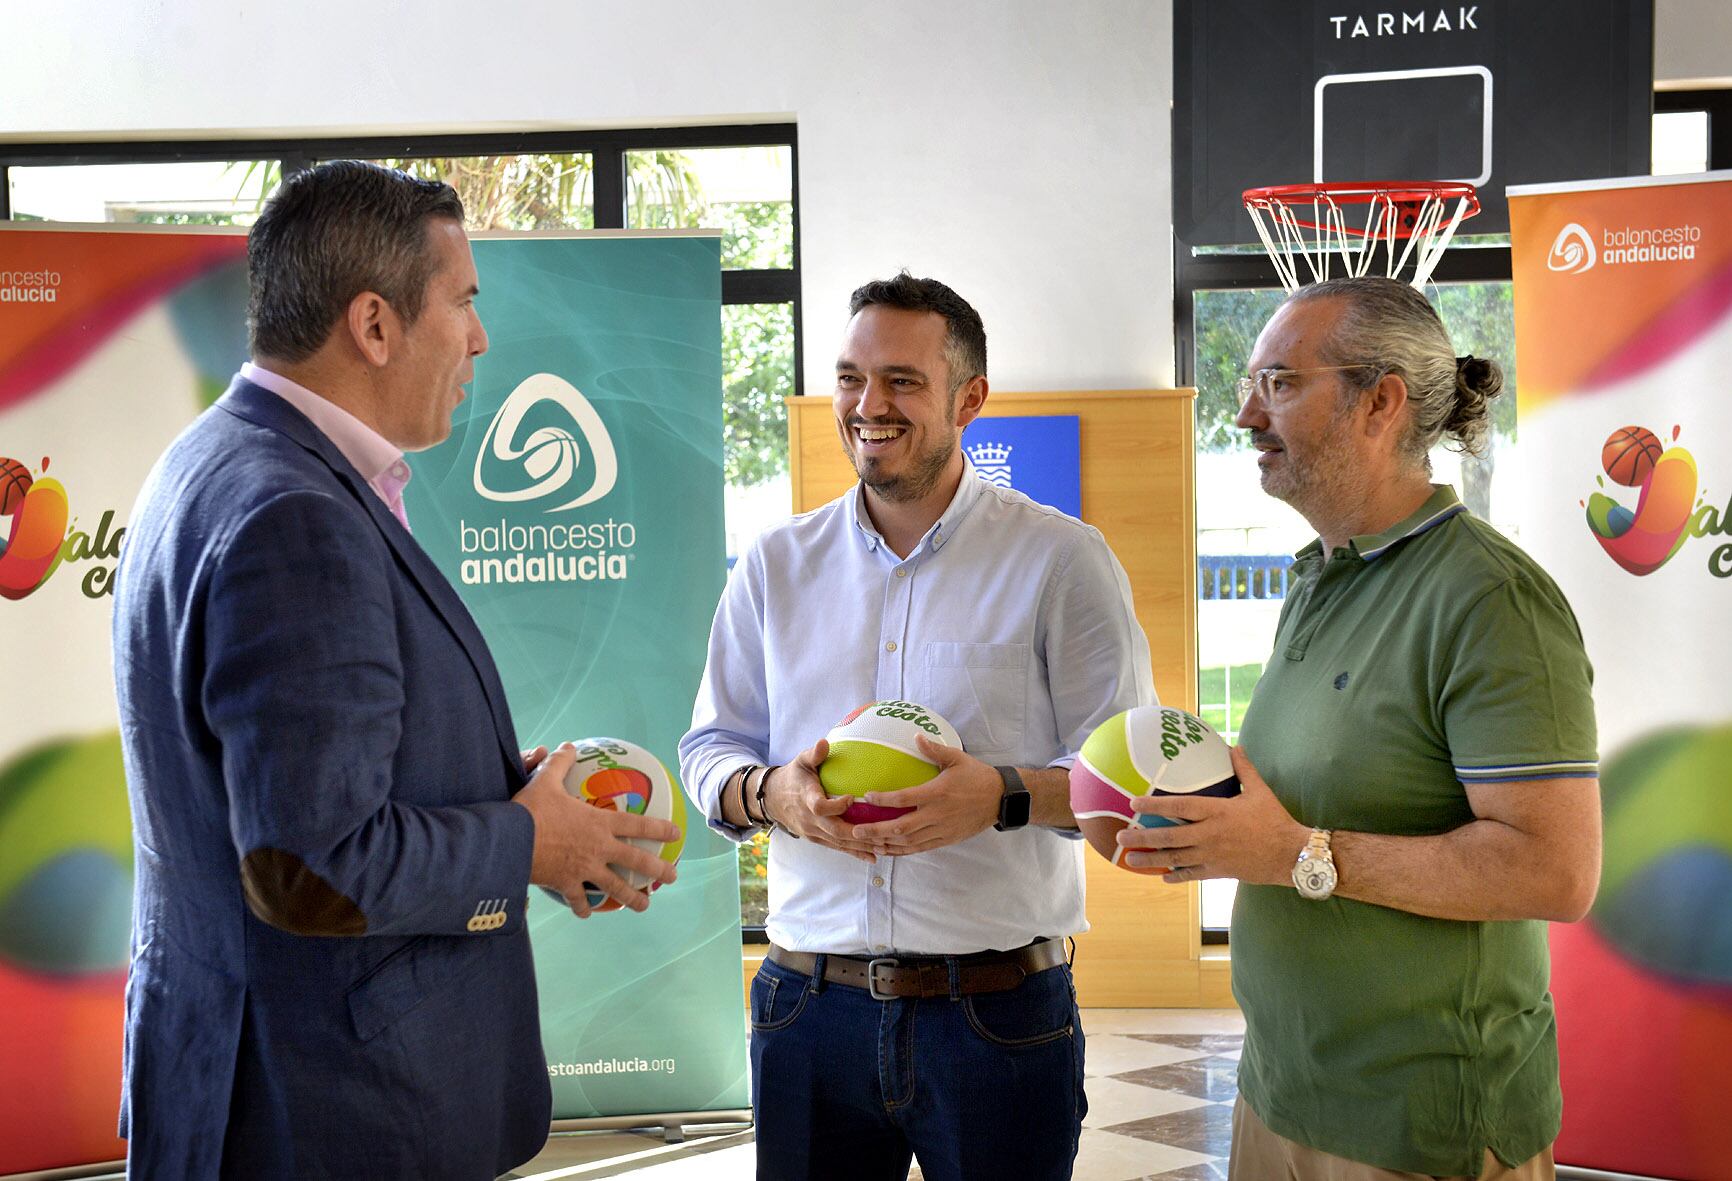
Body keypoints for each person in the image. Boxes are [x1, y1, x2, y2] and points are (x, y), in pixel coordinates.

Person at [111, 160, 678, 1181]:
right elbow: (311, 863)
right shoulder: (298, 516)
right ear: (374, 325)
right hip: (335, 1109)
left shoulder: (207, 458)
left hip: (241, 1072)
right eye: (462, 301)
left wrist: (499, 793)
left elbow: (285, 786)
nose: (480, 337)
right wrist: (525, 841)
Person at [1119, 276, 1600, 1180]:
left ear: (1379, 403)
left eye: (1279, 383)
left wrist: (1295, 853)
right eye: (1250, 385)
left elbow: (1556, 869)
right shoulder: (1319, 577)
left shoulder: (1491, 599)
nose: (1245, 414)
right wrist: (1194, 816)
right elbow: (1315, 790)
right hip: (1281, 1090)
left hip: (1421, 1125)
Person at [680, 272, 1155, 1180]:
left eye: (901, 379)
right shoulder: (776, 565)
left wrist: (1001, 797)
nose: (868, 404)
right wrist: (771, 793)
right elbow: (710, 748)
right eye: (851, 377)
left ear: (970, 397)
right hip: (805, 1008)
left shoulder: (1062, 560)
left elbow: (1124, 781)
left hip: (997, 1013)